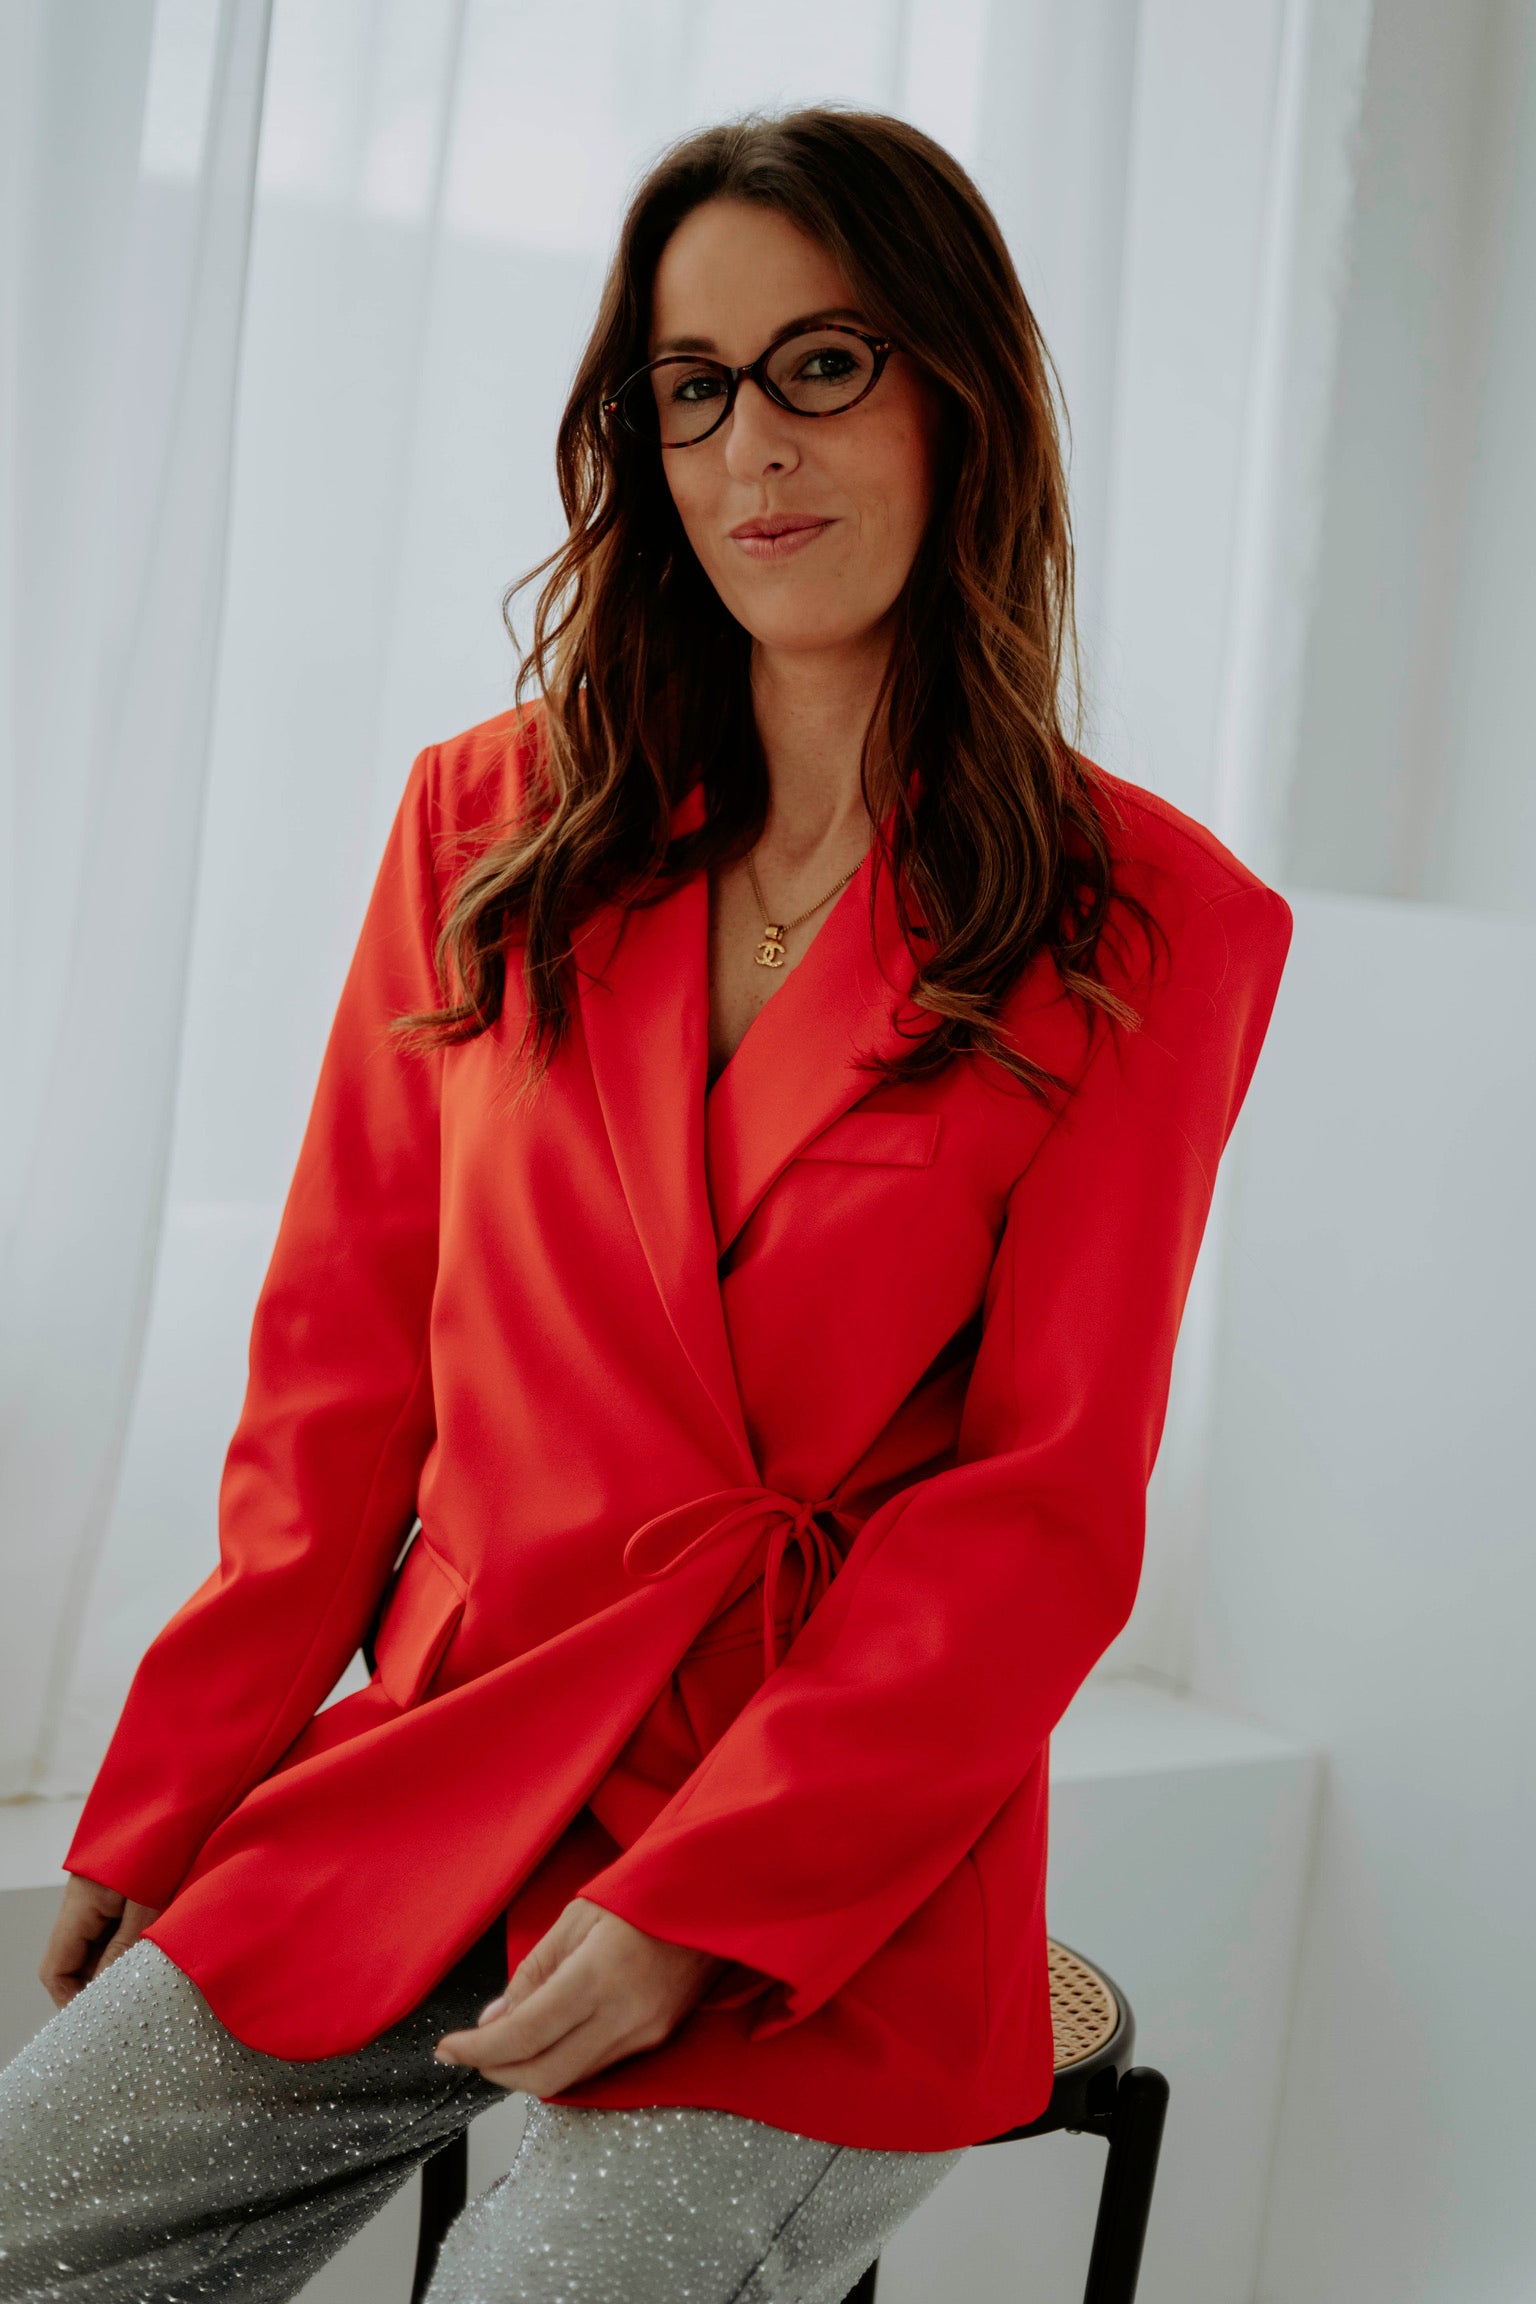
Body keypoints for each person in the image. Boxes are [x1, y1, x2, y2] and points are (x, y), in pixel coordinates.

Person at [0, 106, 1291, 2304]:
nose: (752, 448)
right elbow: (337, 1377)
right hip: (445, 1763)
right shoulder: (484, 826)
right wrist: (176, 1786)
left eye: (823, 365)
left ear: (960, 396)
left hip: (820, 1852)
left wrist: (709, 1903)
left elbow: (1042, 1512)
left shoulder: (1149, 923)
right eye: (692, 387)